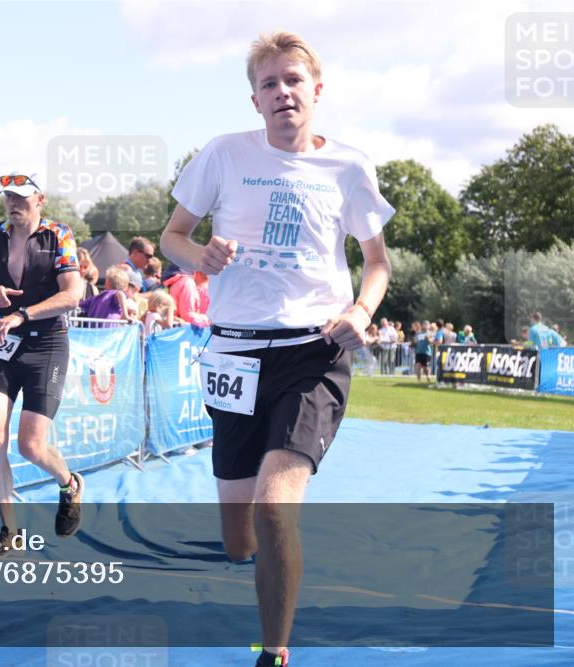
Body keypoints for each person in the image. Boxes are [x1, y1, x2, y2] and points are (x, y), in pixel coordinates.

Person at [159, 31, 393, 667]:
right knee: (240, 539)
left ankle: (275, 650)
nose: (283, 92)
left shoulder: (349, 167)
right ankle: (269, 558)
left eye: (294, 80)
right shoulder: (223, 156)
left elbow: (377, 262)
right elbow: (172, 237)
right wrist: (199, 255)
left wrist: (361, 309)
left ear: (317, 90)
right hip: (234, 355)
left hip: (312, 352)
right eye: (269, 83)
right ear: (254, 101)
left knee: (273, 505)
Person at [0, 170, 85, 558]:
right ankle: (9, 531)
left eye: (22, 197)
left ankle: (68, 484)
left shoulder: (58, 236)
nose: (14, 204)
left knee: (30, 445)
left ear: (40, 200)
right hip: (2, 343)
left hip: (46, 344)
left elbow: (73, 295)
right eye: (8, 197)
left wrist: (23, 314)